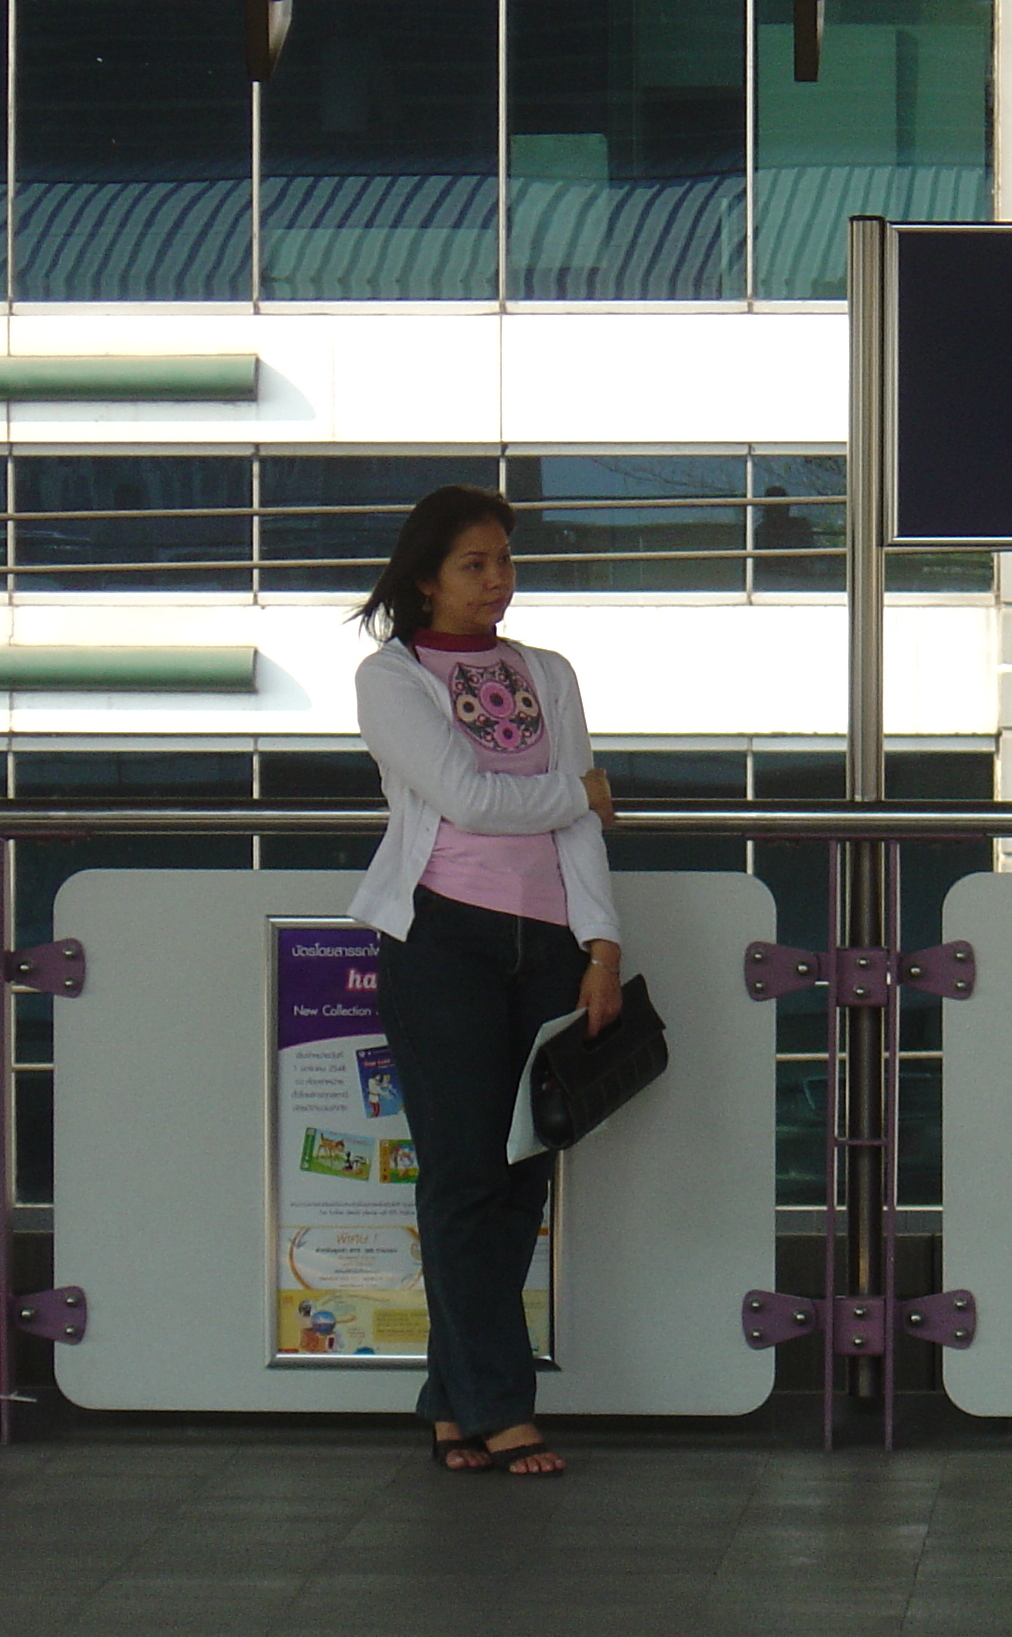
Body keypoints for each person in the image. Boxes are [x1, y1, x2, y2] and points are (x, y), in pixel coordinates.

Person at [349, 484, 622, 1478]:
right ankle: (502, 1404)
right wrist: (574, 792)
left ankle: (450, 1399)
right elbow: (465, 799)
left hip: (547, 947)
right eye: (475, 564)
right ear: (425, 578)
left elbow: (575, 828)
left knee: (518, 1178)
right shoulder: (392, 678)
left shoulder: (547, 672)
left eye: (505, 560)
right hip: (442, 941)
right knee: (465, 1174)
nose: (498, 580)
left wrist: (602, 946)